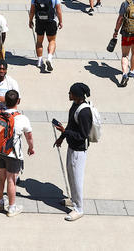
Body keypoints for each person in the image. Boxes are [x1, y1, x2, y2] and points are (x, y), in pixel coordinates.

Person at [54, 82, 93, 222]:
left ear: (77, 95)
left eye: (70, 93)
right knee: (70, 174)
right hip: (72, 146)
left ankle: (79, 209)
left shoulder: (84, 112)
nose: (69, 95)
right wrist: (62, 138)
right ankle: (73, 199)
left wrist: (65, 132)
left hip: (79, 150)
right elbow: (71, 125)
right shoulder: (75, 105)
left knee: (77, 179)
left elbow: (82, 135)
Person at [0, 90, 33, 217]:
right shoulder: (21, 118)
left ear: (5, 101)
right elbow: (29, 136)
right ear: (18, 101)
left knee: (0, 177)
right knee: (11, 180)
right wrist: (31, 147)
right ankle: (11, 208)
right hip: (12, 154)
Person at [29, 0, 63, 72]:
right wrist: (61, 21)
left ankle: (39, 61)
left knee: (39, 42)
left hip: (39, 21)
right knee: (52, 41)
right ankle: (49, 58)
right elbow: (58, 10)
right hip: (50, 21)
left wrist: (30, 20)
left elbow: (32, 10)